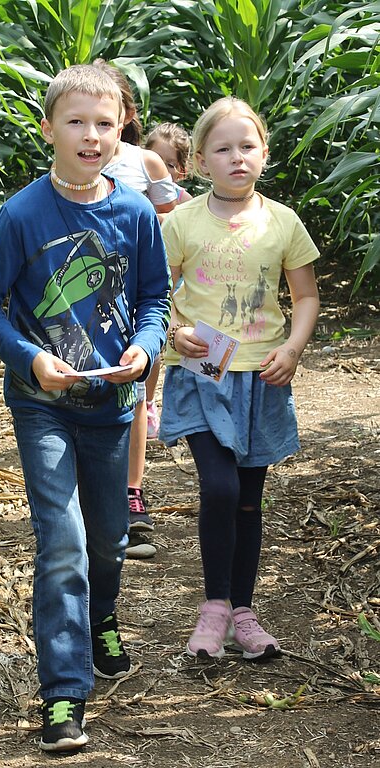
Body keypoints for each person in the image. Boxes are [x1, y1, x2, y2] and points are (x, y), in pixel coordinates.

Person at [0, 65, 170, 751]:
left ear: (123, 132)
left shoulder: (135, 212)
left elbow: (152, 301)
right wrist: (29, 358)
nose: (90, 136)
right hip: (41, 404)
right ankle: (62, 695)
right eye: (76, 123)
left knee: (108, 541)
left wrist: (144, 349)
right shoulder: (22, 214)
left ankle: (102, 616)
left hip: (111, 404)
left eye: (105, 124)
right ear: (48, 128)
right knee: (62, 544)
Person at [159, 96, 319, 660]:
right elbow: (156, 295)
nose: (237, 158)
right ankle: (213, 609)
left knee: (250, 498)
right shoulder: (180, 222)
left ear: (264, 154)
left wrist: (293, 348)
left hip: (261, 377)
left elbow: (305, 295)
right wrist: (174, 333)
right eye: (223, 149)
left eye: (246, 147)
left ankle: (243, 612)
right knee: (220, 487)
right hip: (202, 373)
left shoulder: (282, 221)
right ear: (201, 161)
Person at [92, 59, 176, 552]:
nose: (92, 132)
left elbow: (171, 217)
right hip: (91, 297)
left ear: (124, 113)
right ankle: (95, 498)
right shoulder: (75, 158)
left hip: (141, 292)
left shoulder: (145, 163)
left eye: (106, 116)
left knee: (138, 393)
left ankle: (131, 496)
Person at [143, 122, 194, 438]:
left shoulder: (185, 202)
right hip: (140, 282)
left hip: (174, 288)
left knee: (160, 349)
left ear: (182, 170)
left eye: (168, 164)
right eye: (153, 160)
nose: (158, 170)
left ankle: (148, 403)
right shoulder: (132, 195)